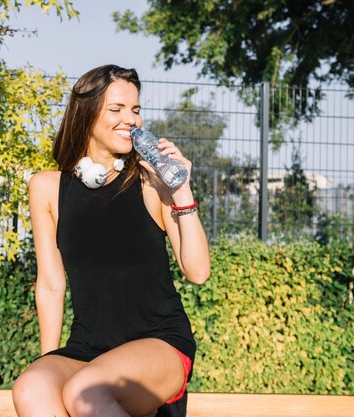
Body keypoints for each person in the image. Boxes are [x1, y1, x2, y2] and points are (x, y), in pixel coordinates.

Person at [12, 64, 210, 417]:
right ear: (85, 115)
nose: (130, 119)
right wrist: (48, 361)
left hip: (160, 343)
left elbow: (197, 271)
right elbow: (51, 284)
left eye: (135, 110)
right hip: (88, 348)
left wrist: (181, 191)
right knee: (32, 387)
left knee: (85, 391)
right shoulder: (46, 188)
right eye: (116, 109)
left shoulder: (152, 184)